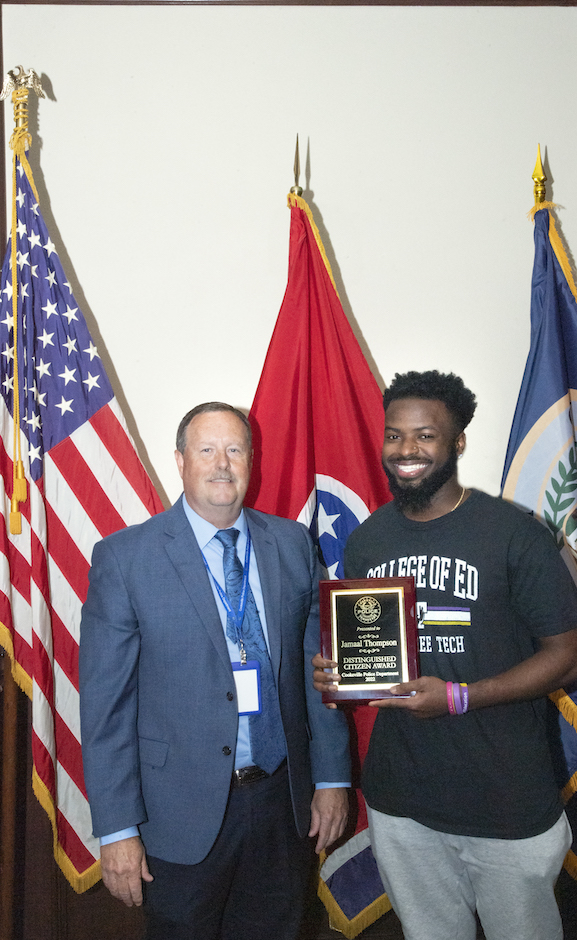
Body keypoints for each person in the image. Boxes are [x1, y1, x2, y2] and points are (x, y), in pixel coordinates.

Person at [313, 370, 577, 940]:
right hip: (402, 802)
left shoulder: (515, 534)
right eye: (394, 435)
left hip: (506, 802)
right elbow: (374, 648)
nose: (406, 450)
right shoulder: (368, 539)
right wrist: (342, 674)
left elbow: (568, 657)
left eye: (425, 435)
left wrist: (460, 698)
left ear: (457, 441)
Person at [80, 401, 350, 940]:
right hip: (176, 816)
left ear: (252, 460)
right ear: (180, 461)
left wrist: (333, 776)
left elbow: (319, 672)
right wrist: (116, 830)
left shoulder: (293, 544)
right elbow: (105, 710)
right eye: (206, 450)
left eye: (235, 449)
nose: (221, 463)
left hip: (281, 804)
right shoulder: (125, 558)